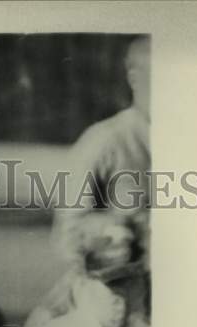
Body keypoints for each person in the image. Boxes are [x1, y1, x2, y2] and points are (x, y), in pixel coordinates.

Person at [52, 35, 151, 268]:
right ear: (135, 79)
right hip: (119, 295)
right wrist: (120, 234)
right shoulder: (104, 141)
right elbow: (68, 235)